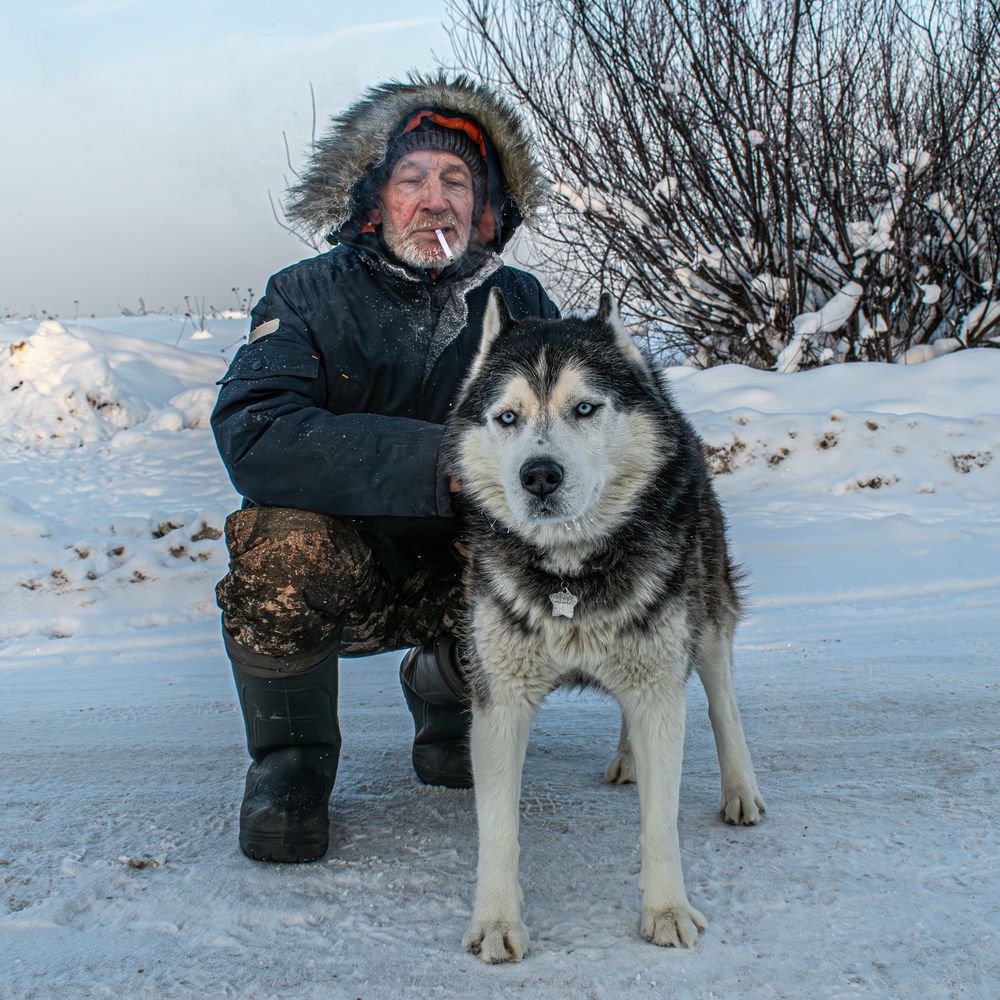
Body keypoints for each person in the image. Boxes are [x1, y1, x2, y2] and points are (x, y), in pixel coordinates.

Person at [211, 75, 559, 863]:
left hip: (468, 561)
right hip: (349, 562)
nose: (434, 201)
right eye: (412, 180)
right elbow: (255, 430)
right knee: (278, 545)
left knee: (535, 553)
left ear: (485, 208)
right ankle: (289, 766)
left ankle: (448, 698)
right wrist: (447, 460)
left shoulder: (523, 298)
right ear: (375, 201)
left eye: (456, 181)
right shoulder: (304, 294)